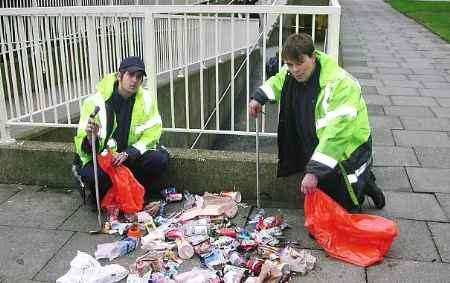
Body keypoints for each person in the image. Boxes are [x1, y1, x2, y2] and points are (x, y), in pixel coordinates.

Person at [249, 33, 385, 211]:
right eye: (290, 64)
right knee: (329, 186)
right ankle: (364, 184)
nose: (295, 69)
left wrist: (314, 172)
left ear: (313, 57)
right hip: (321, 144)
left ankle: (361, 195)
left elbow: (337, 134)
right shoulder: (291, 73)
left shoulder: (341, 84)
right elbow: (279, 80)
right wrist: (259, 98)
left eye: (300, 63)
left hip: (348, 147)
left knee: (347, 198)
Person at [73, 56, 169, 206]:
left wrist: (129, 153)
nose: (134, 81)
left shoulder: (147, 99)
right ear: (119, 76)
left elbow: (153, 132)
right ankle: (105, 193)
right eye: (130, 75)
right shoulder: (94, 103)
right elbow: (81, 144)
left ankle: (133, 190)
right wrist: (91, 137)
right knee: (93, 176)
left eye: (139, 77)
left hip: (128, 157)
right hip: (103, 157)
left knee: (158, 160)